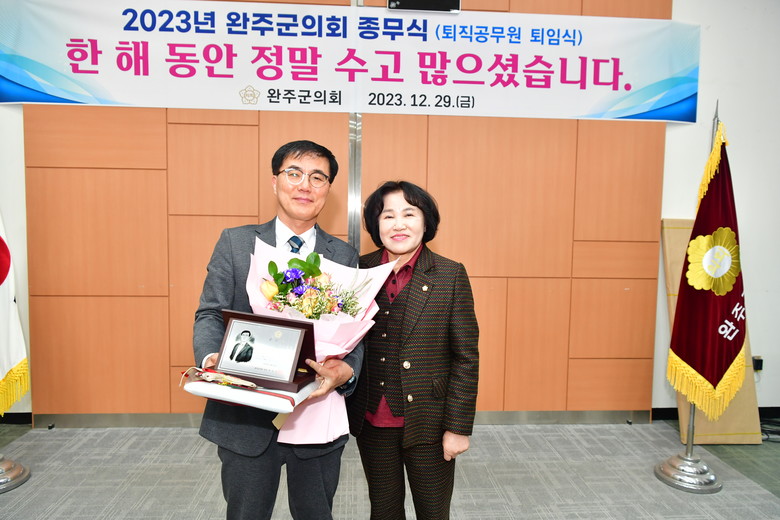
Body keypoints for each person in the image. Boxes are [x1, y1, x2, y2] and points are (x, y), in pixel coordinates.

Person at [193, 140, 362, 520]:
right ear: (275, 181)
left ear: (328, 189)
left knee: (316, 514)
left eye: (317, 177)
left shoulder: (344, 255)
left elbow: (355, 331)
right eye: (294, 173)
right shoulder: (236, 242)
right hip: (245, 413)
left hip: (316, 412)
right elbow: (209, 313)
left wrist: (347, 370)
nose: (305, 185)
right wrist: (213, 359)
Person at [347, 181, 479, 519]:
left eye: (409, 214)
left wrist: (458, 428)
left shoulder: (449, 275)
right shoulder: (357, 271)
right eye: (388, 216)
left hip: (429, 421)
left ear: (425, 222)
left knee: (433, 511)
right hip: (372, 419)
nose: (399, 224)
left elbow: (466, 358)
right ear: (376, 225)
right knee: (384, 510)